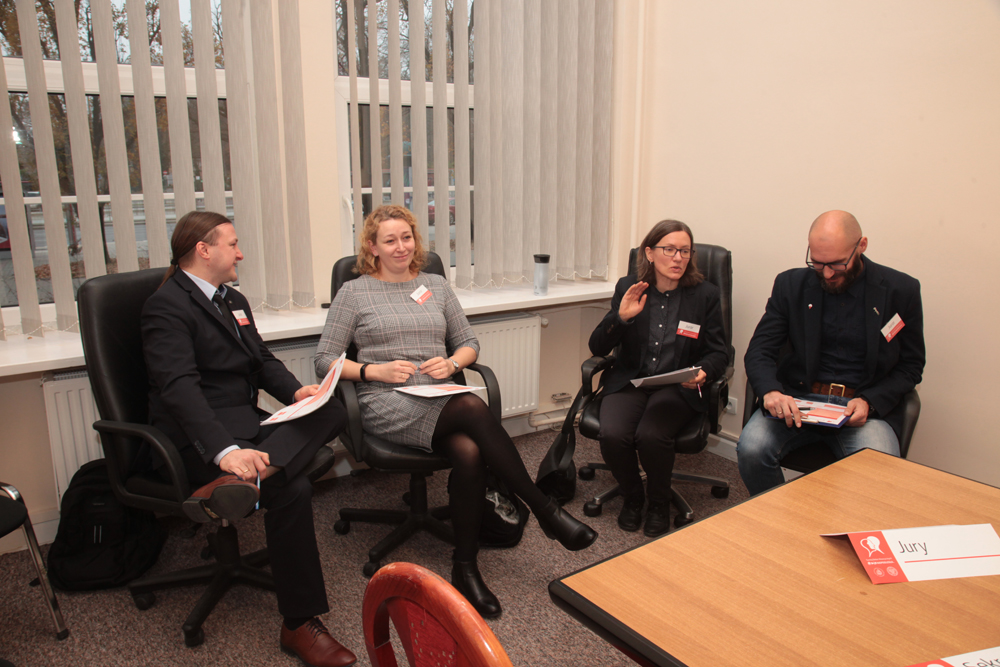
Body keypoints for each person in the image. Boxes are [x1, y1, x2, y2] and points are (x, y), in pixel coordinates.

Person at [315, 204, 597, 619]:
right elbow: (324, 360)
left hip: (438, 394)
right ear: (372, 247)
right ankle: (545, 509)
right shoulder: (354, 293)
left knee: (468, 451)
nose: (400, 247)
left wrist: (451, 364)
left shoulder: (435, 285)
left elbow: (468, 343)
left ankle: (465, 568)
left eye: (406, 237)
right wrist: (373, 370)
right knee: (471, 405)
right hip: (384, 399)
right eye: (389, 240)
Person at [142, 211, 357, 667]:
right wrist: (225, 453)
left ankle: (248, 480)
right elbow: (179, 390)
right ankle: (299, 624)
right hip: (197, 440)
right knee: (293, 489)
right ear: (204, 250)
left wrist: (296, 393)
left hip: (248, 429)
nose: (240, 254)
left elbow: (260, 360)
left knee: (332, 408)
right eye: (233, 244)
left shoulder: (232, 299)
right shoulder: (167, 306)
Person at [737, 210, 925, 495]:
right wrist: (771, 392)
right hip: (798, 401)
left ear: (861, 246)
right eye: (817, 262)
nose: (826, 273)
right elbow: (760, 350)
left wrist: (870, 402)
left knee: (879, 476)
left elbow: (911, 365)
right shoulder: (791, 285)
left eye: (837, 264)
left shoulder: (900, 290)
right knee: (752, 449)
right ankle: (777, 513)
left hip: (860, 409)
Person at [589, 220, 729, 537]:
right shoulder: (629, 287)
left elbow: (719, 352)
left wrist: (704, 372)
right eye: (669, 250)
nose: (678, 258)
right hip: (631, 381)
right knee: (613, 434)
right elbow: (597, 347)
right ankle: (633, 497)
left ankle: (658, 503)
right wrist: (621, 318)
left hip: (677, 387)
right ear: (650, 253)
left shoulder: (704, 295)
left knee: (651, 434)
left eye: (685, 251)